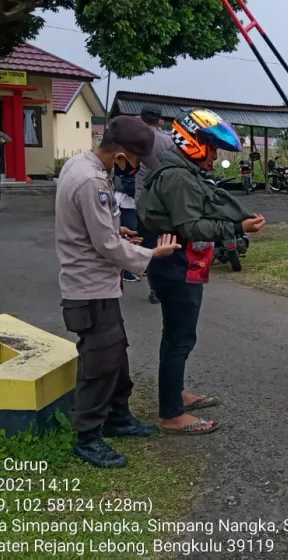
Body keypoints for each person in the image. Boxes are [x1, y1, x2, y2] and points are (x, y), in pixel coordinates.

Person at [55, 116, 181, 468]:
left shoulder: (80, 165)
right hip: (89, 286)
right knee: (99, 362)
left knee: (115, 355)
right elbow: (106, 246)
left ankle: (118, 416)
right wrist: (150, 255)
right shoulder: (91, 181)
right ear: (122, 155)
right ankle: (88, 436)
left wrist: (117, 229)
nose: (137, 167)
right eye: (137, 160)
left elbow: (94, 228)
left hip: (98, 284)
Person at [138, 108, 266, 435]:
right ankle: (172, 415)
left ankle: (176, 394)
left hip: (176, 261)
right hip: (175, 263)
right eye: (211, 147)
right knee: (179, 339)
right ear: (193, 142)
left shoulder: (181, 170)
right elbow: (191, 226)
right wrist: (237, 227)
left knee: (178, 335)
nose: (214, 155)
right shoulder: (179, 177)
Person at [135, 105, 177, 304]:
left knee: (149, 246)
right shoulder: (168, 141)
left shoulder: (134, 139)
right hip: (164, 200)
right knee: (167, 242)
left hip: (141, 200)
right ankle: (168, 284)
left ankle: (154, 289)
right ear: (160, 121)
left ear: (141, 119)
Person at [112, 153, 141, 282]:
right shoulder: (124, 159)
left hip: (130, 203)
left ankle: (132, 267)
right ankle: (126, 270)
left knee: (134, 235)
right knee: (129, 236)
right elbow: (127, 183)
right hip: (126, 203)